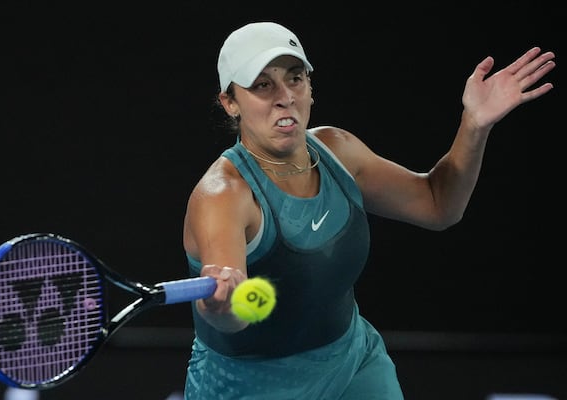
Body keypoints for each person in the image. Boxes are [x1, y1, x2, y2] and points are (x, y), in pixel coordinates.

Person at [181, 21, 556, 399]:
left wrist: (474, 126)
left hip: (352, 363)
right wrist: (221, 306)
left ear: (310, 88)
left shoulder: (337, 150)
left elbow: (439, 204)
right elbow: (234, 317)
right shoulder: (222, 196)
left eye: (295, 79)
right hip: (250, 384)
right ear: (230, 103)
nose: (285, 97)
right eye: (262, 85)